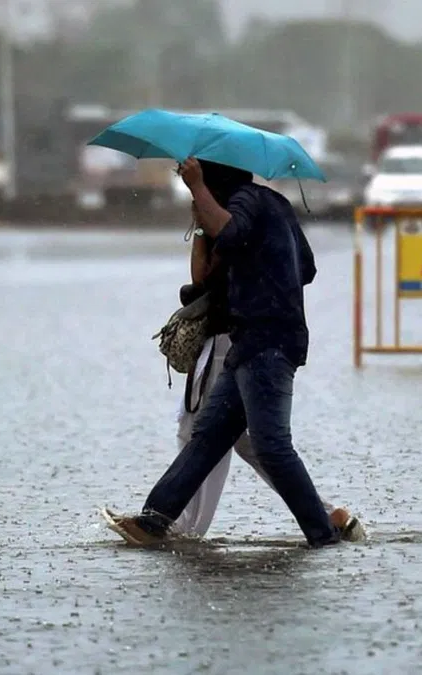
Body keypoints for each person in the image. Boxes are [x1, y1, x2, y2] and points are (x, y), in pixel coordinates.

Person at [110, 158, 358, 548]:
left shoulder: (248, 203)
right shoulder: (271, 204)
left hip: (268, 342)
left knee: (270, 445)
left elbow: (230, 231)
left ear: (215, 179)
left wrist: (197, 189)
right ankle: (154, 520)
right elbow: (305, 268)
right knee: (208, 436)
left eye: (201, 177)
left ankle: (324, 530)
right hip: (251, 342)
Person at [170, 200, 363, 540]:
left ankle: (183, 526)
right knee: (249, 441)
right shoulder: (263, 212)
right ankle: (326, 513)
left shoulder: (233, 216)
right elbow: (305, 268)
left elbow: (201, 275)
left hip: (233, 341)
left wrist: (200, 221)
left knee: (201, 432)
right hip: (248, 338)